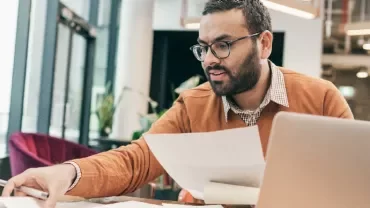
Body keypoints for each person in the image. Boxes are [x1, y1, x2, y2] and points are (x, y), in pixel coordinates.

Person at [2, 0, 353, 207]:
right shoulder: (193, 105)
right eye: (204, 46)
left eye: (224, 44)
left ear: (263, 44)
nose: (210, 59)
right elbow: (135, 161)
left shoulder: (320, 98)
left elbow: (353, 185)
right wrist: (68, 172)